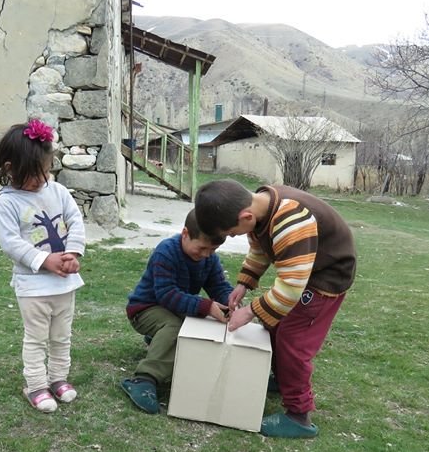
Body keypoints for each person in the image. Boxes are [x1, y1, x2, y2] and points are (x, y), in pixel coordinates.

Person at [194, 179, 356, 438]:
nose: (234, 237)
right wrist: (244, 284)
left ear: (245, 216)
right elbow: (259, 248)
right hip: (305, 271)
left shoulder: (290, 222)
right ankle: (282, 381)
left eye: (232, 233)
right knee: (275, 325)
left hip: (327, 277)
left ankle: (299, 415)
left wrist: (249, 312)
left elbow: (291, 288)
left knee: (293, 341)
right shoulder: (259, 207)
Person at [0, 119, 86, 413]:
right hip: (32, 287)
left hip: (65, 284)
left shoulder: (57, 191)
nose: (42, 179)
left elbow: (75, 221)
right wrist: (45, 260)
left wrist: (73, 253)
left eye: (46, 171)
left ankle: (58, 379)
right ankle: (36, 385)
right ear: (10, 169)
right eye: (35, 174)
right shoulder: (7, 203)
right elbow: (11, 242)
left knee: (61, 335)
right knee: (36, 338)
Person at [120, 208, 234, 415]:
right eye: (201, 248)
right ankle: (144, 378)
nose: (206, 255)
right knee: (173, 326)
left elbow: (218, 286)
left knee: (198, 324)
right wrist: (207, 306)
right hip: (145, 308)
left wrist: (231, 301)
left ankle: (159, 342)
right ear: (185, 234)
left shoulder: (209, 258)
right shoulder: (167, 251)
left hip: (174, 308)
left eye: (212, 250)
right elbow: (166, 294)